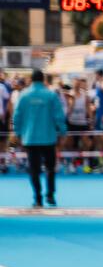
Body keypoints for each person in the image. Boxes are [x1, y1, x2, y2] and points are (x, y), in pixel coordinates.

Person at [12, 69, 66, 207]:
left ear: (31, 80)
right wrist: (63, 132)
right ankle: (50, 195)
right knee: (50, 168)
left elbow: (17, 117)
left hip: (30, 138)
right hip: (48, 137)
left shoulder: (24, 96)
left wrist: (18, 133)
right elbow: (59, 116)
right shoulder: (51, 95)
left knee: (34, 169)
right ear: (43, 80)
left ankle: (37, 197)